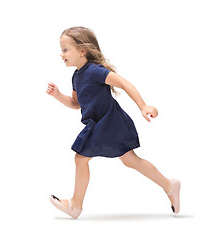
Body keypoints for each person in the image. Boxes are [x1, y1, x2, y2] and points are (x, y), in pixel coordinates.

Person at [46, 26, 180, 219]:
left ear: (82, 50)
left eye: (65, 49)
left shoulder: (95, 71)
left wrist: (143, 106)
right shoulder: (76, 76)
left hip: (110, 122)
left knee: (81, 158)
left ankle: (75, 205)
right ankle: (169, 185)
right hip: (99, 124)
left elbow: (124, 83)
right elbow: (76, 103)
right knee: (130, 160)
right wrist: (58, 95)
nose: (61, 54)